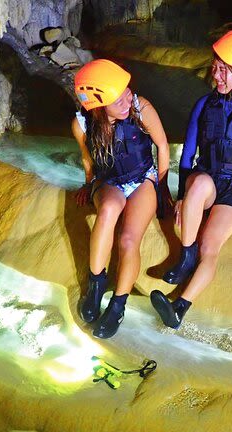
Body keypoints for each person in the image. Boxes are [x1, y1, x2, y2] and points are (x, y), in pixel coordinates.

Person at [150, 30, 232, 328]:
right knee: (197, 186)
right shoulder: (205, 105)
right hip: (209, 178)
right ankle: (185, 257)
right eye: (215, 66)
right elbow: (187, 156)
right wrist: (182, 196)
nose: (215, 74)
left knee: (210, 249)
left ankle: (179, 308)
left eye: (223, 70)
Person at [72, 59, 172, 339]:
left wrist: (162, 189)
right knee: (108, 211)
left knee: (128, 239)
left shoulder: (141, 109)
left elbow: (162, 146)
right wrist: (88, 183)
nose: (128, 99)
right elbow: (87, 157)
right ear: (99, 106)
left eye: (127, 90)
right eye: (119, 99)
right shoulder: (82, 124)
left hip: (143, 179)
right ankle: (95, 285)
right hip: (110, 181)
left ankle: (118, 305)